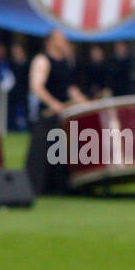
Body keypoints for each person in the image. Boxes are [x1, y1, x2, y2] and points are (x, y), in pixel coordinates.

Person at [24, 29, 86, 195]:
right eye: (60, 39)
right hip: (47, 116)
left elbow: (70, 88)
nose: (64, 41)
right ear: (50, 41)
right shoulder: (42, 60)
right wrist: (54, 104)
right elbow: (36, 86)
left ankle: (61, 188)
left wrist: (84, 102)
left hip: (63, 117)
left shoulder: (66, 61)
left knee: (62, 153)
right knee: (42, 154)